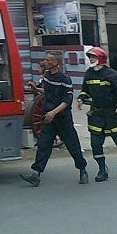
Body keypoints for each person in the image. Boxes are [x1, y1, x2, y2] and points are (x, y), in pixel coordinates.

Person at [20, 52, 88, 187]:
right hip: (48, 117)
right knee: (43, 145)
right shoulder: (47, 76)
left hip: (62, 118)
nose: (44, 62)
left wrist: (54, 112)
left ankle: (82, 170)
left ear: (56, 63)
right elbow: (48, 93)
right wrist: (37, 89)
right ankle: (36, 174)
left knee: (72, 144)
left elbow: (67, 100)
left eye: (48, 60)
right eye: (45, 59)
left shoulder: (65, 79)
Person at [77, 47, 117, 181]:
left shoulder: (112, 74)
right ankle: (102, 170)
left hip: (113, 115)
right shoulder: (89, 73)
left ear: (101, 58)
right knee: (95, 144)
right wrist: (81, 98)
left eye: (93, 57)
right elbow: (85, 90)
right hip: (96, 115)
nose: (91, 59)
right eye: (90, 57)